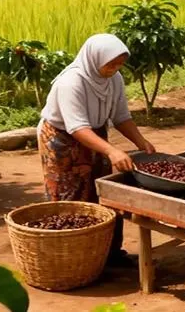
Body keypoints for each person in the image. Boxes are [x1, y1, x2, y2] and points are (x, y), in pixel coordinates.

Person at [39, 34, 155, 263]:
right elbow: (76, 127)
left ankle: (107, 254)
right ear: (94, 59)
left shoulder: (115, 79)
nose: (114, 68)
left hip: (95, 133)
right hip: (62, 139)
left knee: (103, 191)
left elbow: (121, 116)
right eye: (110, 63)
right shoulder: (72, 82)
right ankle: (71, 258)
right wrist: (111, 151)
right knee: (70, 195)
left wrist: (141, 142)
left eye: (119, 63)